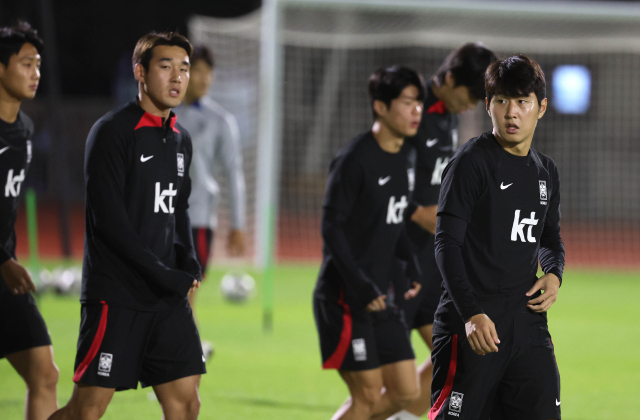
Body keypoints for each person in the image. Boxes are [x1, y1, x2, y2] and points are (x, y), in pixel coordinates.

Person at [49, 31, 204, 420]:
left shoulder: (181, 140)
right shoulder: (112, 132)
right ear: (140, 72)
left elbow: (179, 207)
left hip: (165, 301)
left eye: (184, 69)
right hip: (116, 295)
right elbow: (110, 224)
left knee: (186, 404)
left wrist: (188, 257)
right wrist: (163, 274)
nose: (177, 78)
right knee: (86, 411)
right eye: (165, 67)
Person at [428, 55, 564, 420]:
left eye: (523, 102)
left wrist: (554, 273)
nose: (511, 113)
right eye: (502, 101)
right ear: (488, 105)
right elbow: (446, 245)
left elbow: (549, 239)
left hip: (527, 325)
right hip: (474, 324)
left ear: (541, 107)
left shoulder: (545, 171)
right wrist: (471, 313)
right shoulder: (470, 163)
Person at [389, 43, 497, 420]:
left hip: (427, 261)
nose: (470, 106)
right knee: (376, 389)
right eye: (469, 95)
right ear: (449, 79)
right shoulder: (408, 106)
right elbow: (382, 173)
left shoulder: (447, 116)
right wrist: (430, 215)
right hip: (393, 260)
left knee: (457, 358)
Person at [313, 65, 424, 420]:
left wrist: (412, 264)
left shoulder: (405, 157)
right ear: (380, 106)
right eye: (407, 102)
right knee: (366, 397)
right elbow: (331, 227)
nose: (416, 111)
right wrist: (359, 286)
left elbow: (396, 218)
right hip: (345, 298)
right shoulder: (354, 159)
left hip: (383, 297)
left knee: (407, 390)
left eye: (419, 103)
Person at [0, 21, 60, 420]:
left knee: (45, 375)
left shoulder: (25, 130)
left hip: (6, 275)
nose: (35, 73)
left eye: (38, 65)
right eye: (25, 64)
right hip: (4, 267)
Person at [173, 45, 246, 359]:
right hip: (160, 216)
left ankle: (185, 355)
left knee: (186, 291)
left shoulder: (220, 120)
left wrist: (238, 224)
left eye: (207, 72)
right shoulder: (165, 113)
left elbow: (234, 172)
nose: (203, 78)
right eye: (196, 71)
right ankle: (185, 353)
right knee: (168, 292)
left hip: (198, 219)